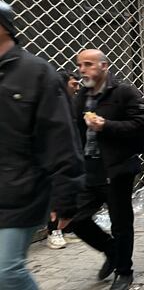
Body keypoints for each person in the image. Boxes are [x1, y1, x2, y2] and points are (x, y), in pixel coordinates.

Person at [0, 0, 85, 289]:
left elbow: (60, 138)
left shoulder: (35, 73)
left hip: (20, 192)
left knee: (7, 271)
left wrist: (65, 200)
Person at [67, 49, 144, 290]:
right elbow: (75, 128)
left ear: (104, 66)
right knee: (76, 219)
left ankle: (124, 272)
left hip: (116, 168)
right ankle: (111, 250)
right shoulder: (82, 95)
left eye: (88, 64)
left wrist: (106, 125)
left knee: (121, 223)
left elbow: (141, 121)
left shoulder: (123, 92)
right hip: (90, 167)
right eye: (80, 65)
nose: (82, 70)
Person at [46, 70, 83, 250]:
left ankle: (66, 229)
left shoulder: (70, 102)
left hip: (71, 156)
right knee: (56, 198)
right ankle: (54, 232)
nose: (77, 88)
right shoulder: (53, 103)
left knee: (70, 195)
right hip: (55, 158)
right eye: (73, 84)